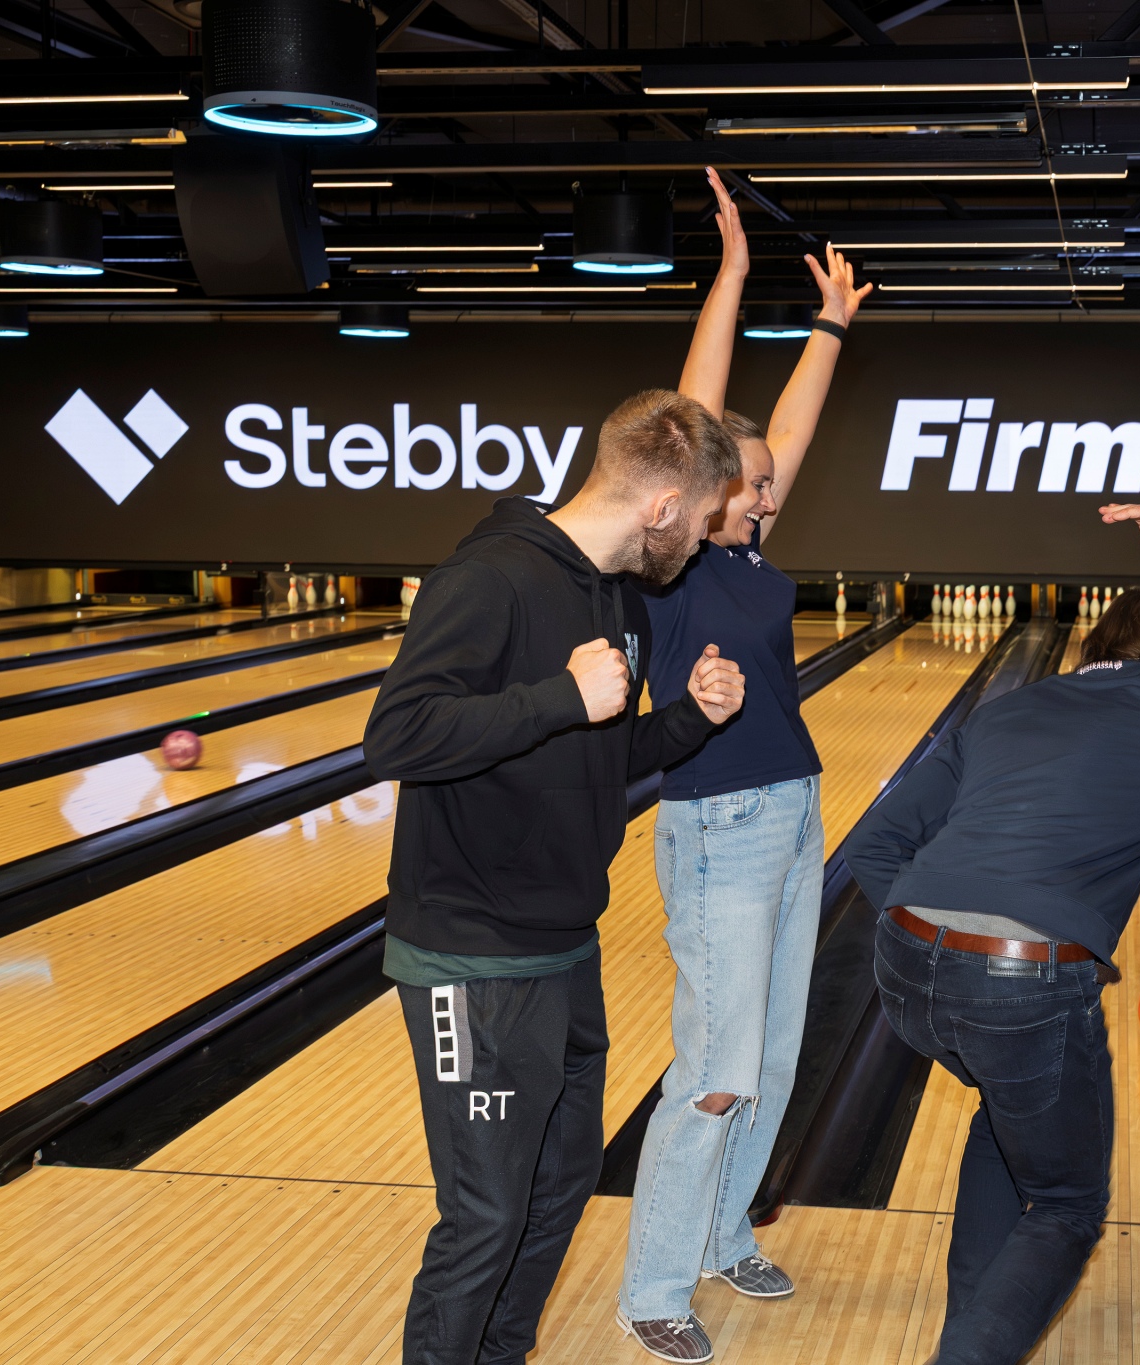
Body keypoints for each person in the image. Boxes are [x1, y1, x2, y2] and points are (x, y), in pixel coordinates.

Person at [845, 502, 1140, 1365]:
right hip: (1021, 982)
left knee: (1008, 1113)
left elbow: (874, 844)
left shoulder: (1006, 707)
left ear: (1091, 644)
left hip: (904, 964)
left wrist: (935, 936)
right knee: (1066, 1205)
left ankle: (968, 1335)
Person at [363, 389, 748, 1365]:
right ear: (662, 505)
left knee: (561, 1182)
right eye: (705, 519)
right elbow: (395, 735)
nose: (707, 539)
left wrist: (688, 721)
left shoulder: (615, 596)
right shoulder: (489, 578)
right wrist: (556, 697)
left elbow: (596, 756)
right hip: (472, 959)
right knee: (486, 1211)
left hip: (565, 950)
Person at [615, 168, 872, 1363]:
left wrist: (829, 327)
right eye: (750, 482)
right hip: (716, 825)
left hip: (792, 809)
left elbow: (791, 433)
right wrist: (728, 275)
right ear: (702, 490)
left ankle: (724, 1237)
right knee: (714, 1067)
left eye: (766, 484)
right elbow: (695, 409)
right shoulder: (672, 565)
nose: (768, 493)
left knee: (767, 1055)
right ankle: (654, 1289)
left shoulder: (751, 551)